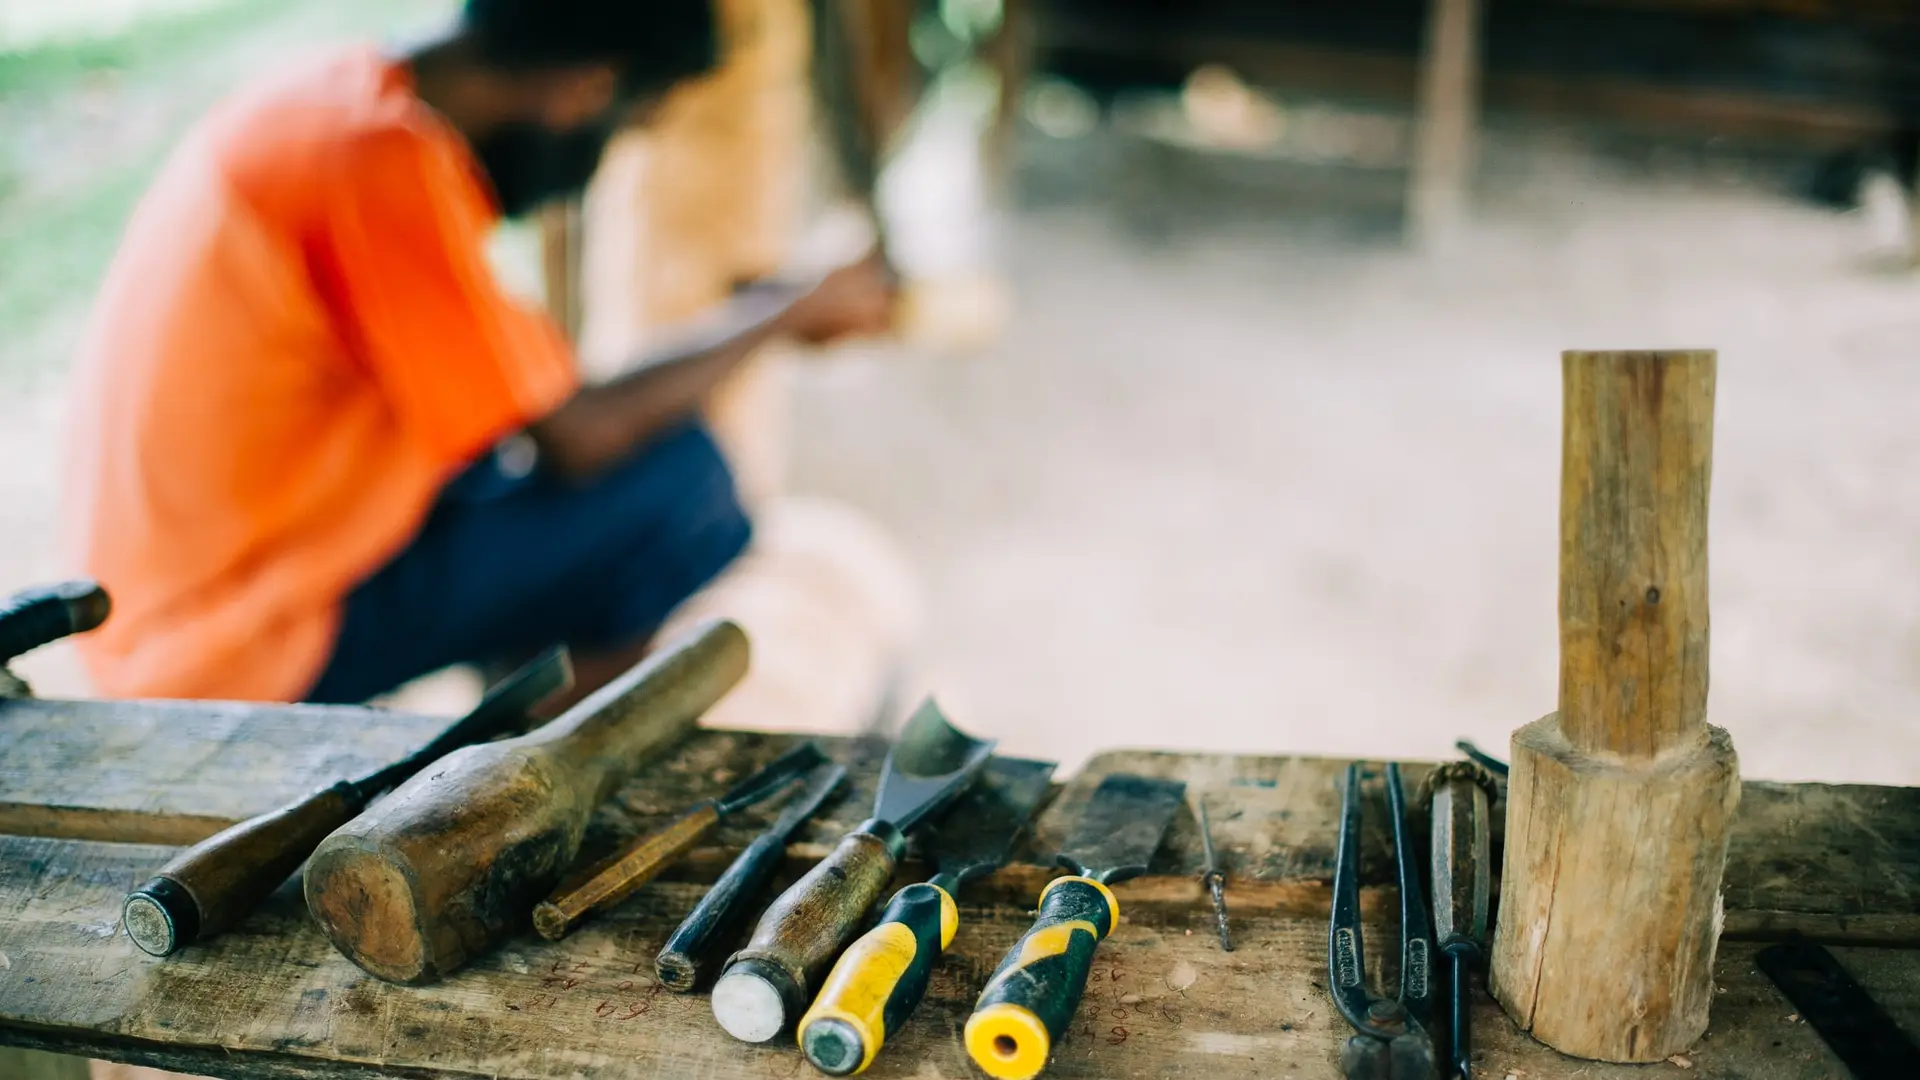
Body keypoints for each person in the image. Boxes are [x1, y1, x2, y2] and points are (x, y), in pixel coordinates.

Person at [62, 0, 895, 710]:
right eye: (625, 126)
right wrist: (783, 313)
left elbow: (523, 408)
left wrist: (765, 311)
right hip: (221, 653)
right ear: (586, 89)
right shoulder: (376, 161)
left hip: (166, 603)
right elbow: (579, 435)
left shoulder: (331, 101)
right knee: (684, 489)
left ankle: (512, 723)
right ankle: (544, 781)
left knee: (530, 481)